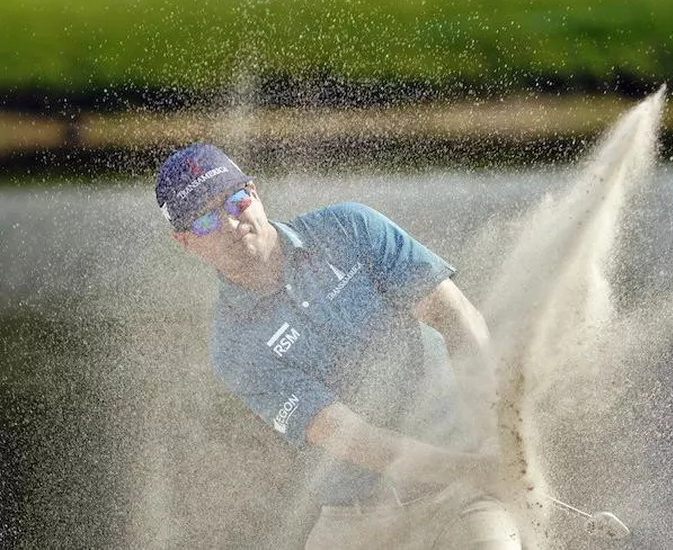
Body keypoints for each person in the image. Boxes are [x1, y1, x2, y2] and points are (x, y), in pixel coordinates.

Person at [155, 143, 521, 549]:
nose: (230, 222)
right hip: (358, 523)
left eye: (235, 200)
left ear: (254, 193)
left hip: (460, 502)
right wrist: (473, 468)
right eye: (205, 220)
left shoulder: (349, 228)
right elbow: (350, 437)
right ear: (185, 242)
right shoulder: (233, 346)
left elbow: (455, 318)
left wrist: (496, 437)